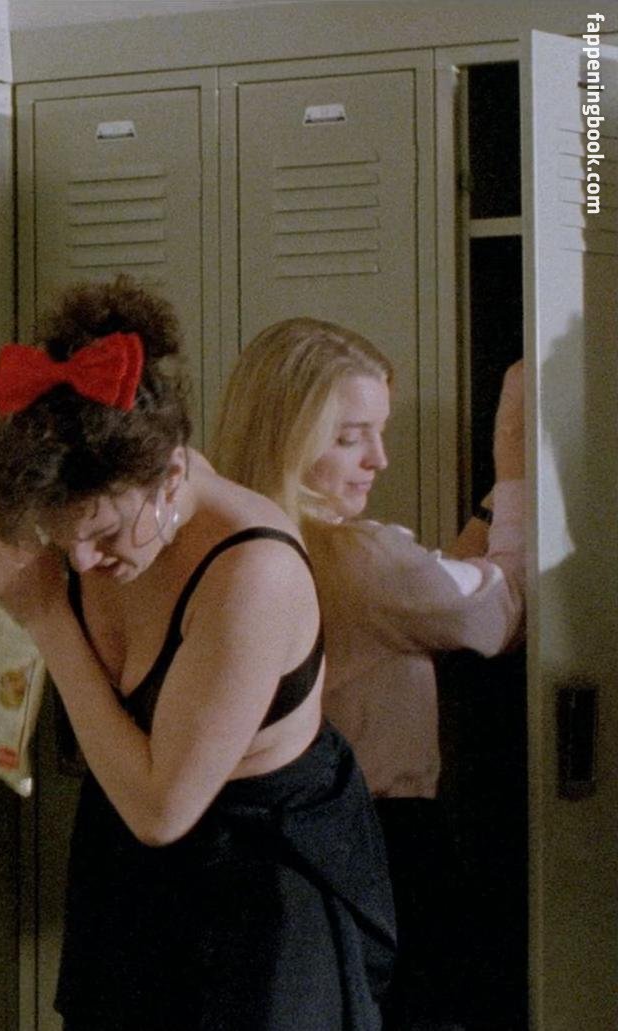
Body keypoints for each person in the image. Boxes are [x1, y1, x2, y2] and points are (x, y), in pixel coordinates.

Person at [0, 276, 395, 1029]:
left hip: (259, 887)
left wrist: (48, 617)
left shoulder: (252, 572)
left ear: (173, 476)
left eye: (103, 535)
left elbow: (163, 810)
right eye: (61, 535)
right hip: (127, 866)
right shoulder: (96, 512)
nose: (79, 561)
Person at [211, 317, 526, 1030]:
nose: (379, 458)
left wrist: (485, 517)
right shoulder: (360, 559)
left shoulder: (238, 544)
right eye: (351, 437)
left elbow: (422, 597)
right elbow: (500, 611)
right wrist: (514, 470)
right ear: (288, 438)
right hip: (385, 843)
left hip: (275, 851)